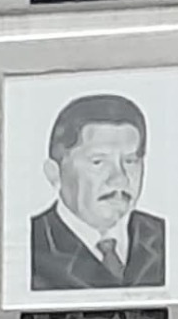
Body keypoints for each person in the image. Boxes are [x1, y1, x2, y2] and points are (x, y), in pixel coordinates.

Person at [28, 92, 167, 292]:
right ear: (54, 173)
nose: (119, 179)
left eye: (130, 161)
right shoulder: (31, 247)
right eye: (98, 162)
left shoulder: (164, 237)